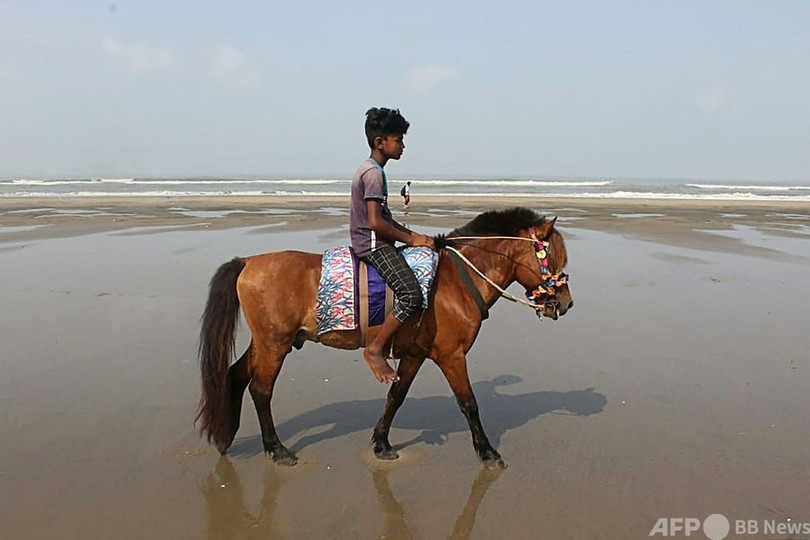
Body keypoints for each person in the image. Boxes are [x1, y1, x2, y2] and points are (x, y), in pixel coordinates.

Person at [349, 107, 435, 383]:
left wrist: (416, 236)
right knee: (411, 293)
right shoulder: (373, 174)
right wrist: (411, 239)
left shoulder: (372, 169)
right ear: (380, 142)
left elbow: (386, 218)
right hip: (373, 245)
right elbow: (376, 222)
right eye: (398, 139)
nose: (403, 145)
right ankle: (376, 350)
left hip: (377, 240)